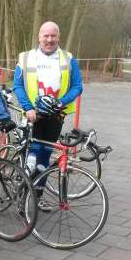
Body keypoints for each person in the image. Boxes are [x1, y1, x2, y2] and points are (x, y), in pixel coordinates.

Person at [12, 21, 83, 210]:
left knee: (45, 155)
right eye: (46, 36)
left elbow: (77, 86)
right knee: (32, 156)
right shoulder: (26, 58)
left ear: (58, 37)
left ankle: (38, 196)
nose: (49, 40)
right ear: (39, 37)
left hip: (55, 116)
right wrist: (28, 108)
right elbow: (17, 86)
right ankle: (22, 196)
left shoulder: (69, 59)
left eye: (53, 36)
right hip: (32, 116)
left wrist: (61, 103)